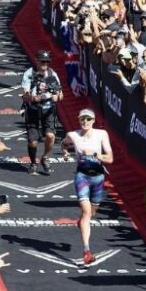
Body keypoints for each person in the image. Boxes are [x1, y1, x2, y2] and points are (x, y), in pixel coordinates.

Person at [61, 109, 114, 265]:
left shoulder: (102, 134)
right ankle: (87, 252)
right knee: (86, 211)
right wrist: (65, 153)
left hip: (98, 177)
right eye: (82, 119)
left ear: (93, 121)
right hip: (82, 177)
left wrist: (96, 155)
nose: (85, 122)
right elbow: (64, 143)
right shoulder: (73, 135)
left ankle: (82, 222)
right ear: (79, 120)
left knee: (92, 213)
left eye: (88, 119)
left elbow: (110, 159)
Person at [21, 49, 63, 175]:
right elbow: (24, 95)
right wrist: (33, 98)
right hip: (33, 109)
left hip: (48, 109)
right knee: (33, 141)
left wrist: (58, 96)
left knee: (50, 136)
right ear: (37, 60)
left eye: (47, 61)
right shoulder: (29, 73)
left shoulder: (52, 74)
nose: (45, 64)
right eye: (42, 61)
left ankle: (45, 157)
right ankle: (33, 162)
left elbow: (60, 93)